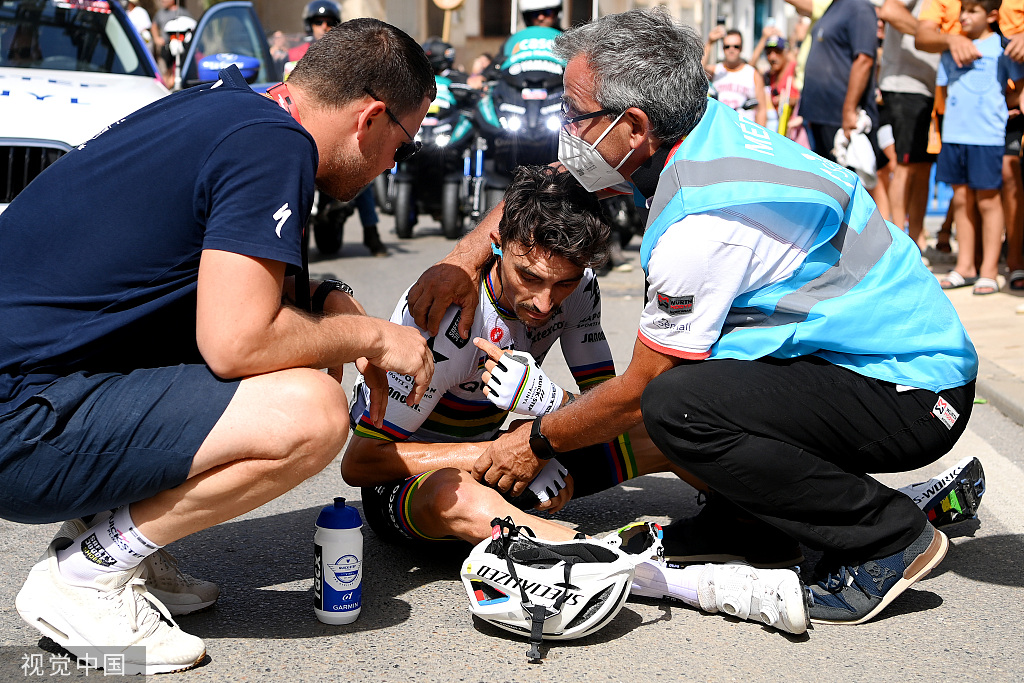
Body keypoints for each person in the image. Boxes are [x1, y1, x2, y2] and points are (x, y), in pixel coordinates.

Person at [405, 8, 978, 627]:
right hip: (862, 360)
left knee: (677, 404)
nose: (565, 129)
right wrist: (463, 259)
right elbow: (544, 188)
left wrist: (533, 439)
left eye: (576, 114)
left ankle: (887, 536)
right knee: (697, 381)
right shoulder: (703, 131)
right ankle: (753, 525)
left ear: (634, 126)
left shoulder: (702, 224)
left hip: (913, 392)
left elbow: (638, 392)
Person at [0, 18, 435, 675]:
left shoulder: (230, 108)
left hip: (35, 382)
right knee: (312, 410)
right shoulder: (273, 148)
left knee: (279, 344)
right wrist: (376, 333)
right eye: (401, 146)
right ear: (371, 118)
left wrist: (329, 296)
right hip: (20, 422)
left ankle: (107, 537)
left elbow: (216, 283)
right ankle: (87, 573)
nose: (391, 167)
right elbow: (238, 341)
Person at [342, 164, 812, 636]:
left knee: (664, 417)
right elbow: (361, 463)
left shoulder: (580, 288)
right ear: (498, 243)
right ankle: (677, 582)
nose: (545, 303)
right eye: (529, 276)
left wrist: (547, 415)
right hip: (412, 488)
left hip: (512, 457)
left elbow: (606, 404)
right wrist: (513, 447)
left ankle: (757, 520)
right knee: (452, 489)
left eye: (562, 284)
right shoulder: (446, 320)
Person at [917, 0, 1024, 289]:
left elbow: (1016, 91)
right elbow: (946, 89)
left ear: (991, 15)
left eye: (972, 11)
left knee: (988, 201)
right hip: (954, 136)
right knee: (961, 200)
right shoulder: (951, 47)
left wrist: (1006, 107)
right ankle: (966, 267)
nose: (963, 17)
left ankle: (989, 270)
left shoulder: (1003, 49)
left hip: (987, 137)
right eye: (962, 10)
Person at [877, 0, 941, 252]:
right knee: (904, 166)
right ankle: (899, 243)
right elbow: (890, 10)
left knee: (923, 167)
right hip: (905, 85)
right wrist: (934, 38)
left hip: (930, 88)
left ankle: (916, 239)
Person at [703, 27, 769, 126]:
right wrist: (710, 42)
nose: (731, 50)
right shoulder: (716, 70)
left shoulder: (752, 73)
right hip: (720, 126)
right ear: (723, 48)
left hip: (744, 129)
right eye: (727, 46)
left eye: (736, 46)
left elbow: (762, 109)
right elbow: (697, 71)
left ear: (741, 48)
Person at [284, 0, 341, 78]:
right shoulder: (294, 55)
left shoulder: (342, 55)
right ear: (310, 25)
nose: (324, 27)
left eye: (329, 23)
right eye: (318, 22)